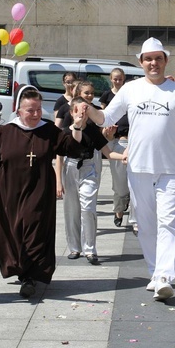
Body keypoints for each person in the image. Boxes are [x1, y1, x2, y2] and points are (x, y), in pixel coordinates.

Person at [82, 37, 175, 301]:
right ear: (141, 62)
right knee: (146, 224)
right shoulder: (130, 89)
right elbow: (105, 118)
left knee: (168, 223)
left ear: (166, 61)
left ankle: (164, 276)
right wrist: (87, 109)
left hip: (172, 167)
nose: (153, 63)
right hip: (139, 167)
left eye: (158, 58)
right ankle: (155, 272)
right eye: (148, 59)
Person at [0, 86, 87, 298]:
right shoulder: (5, 132)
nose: (36, 114)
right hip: (10, 195)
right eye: (30, 110)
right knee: (14, 234)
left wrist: (77, 126)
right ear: (18, 110)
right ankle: (21, 270)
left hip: (39, 194)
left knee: (34, 232)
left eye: (38, 109)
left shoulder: (48, 131)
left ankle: (30, 277)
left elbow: (72, 148)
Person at [56, 97, 124, 264]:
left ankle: (90, 249)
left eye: (85, 111)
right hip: (70, 169)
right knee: (71, 209)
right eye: (78, 111)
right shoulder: (65, 132)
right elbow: (59, 158)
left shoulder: (93, 131)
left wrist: (124, 156)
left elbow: (108, 153)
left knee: (88, 208)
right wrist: (58, 181)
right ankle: (74, 247)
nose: (82, 114)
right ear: (71, 113)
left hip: (88, 168)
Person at [100, 69, 133, 229]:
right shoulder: (108, 96)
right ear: (111, 79)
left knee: (136, 183)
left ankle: (135, 218)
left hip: (133, 142)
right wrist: (107, 133)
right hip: (117, 142)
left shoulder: (130, 95)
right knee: (120, 183)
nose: (118, 82)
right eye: (115, 79)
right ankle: (119, 209)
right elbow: (104, 119)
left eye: (120, 79)